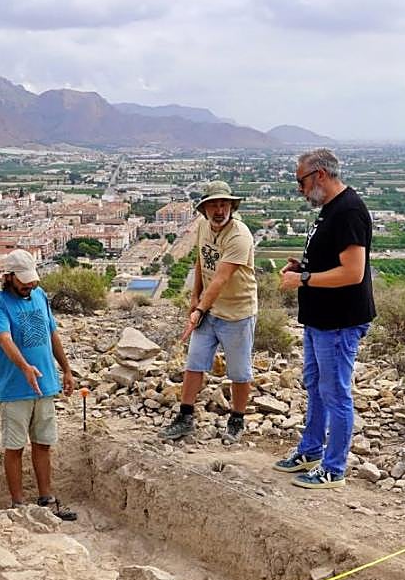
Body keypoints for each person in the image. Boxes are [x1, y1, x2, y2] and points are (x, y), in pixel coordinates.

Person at [276, 149, 375, 489]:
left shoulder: (348, 211)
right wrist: (304, 267)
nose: (300, 190)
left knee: (335, 392)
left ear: (319, 175)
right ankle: (310, 451)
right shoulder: (331, 210)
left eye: (300, 182)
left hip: (338, 320)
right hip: (320, 319)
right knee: (316, 387)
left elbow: (352, 272)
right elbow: (331, 261)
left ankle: (334, 468)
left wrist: (303, 280)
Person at [160, 180, 258, 443]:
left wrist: (199, 308)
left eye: (223, 204)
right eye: (213, 204)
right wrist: (195, 297)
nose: (218, 210)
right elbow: (202, 260)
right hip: (208, 309)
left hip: (237, 312)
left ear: (231, 206)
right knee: (194, 363)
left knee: (239, 371)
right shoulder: (203, 226)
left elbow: (222, 278)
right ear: (204, 209)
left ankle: (237, 420)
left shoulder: (240, 236)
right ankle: (185, 416)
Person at [0, 248, 77, 520]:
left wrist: (67, 370)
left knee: (43, 443)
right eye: (24, 281)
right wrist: (24, 367)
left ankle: (46, 499)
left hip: (46, 384)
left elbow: (52, 334)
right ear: (10, 277)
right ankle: (17, 505)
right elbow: (4, 338)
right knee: (14, 447)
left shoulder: (40, 295)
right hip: (15, 387)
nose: (29, 286)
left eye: (32, 281)